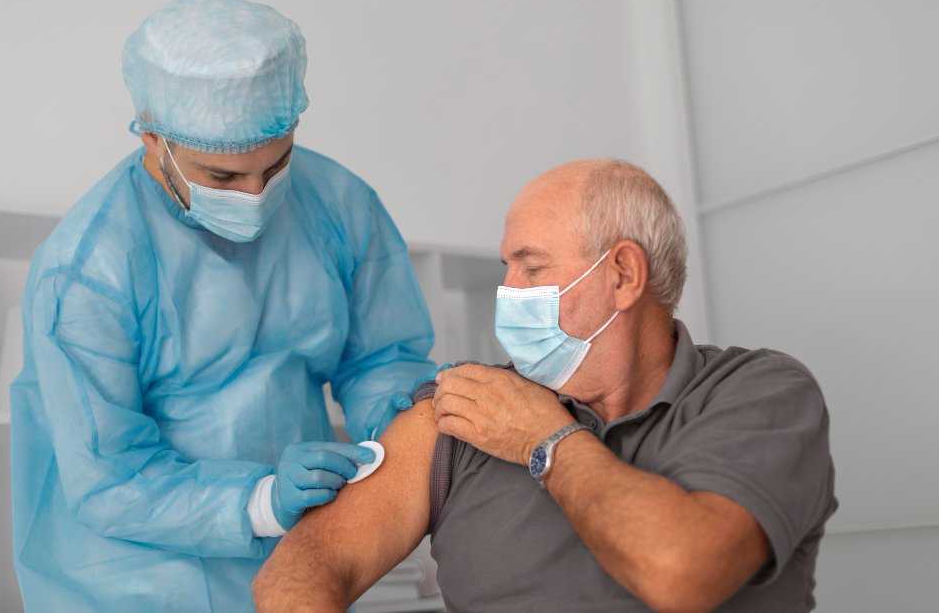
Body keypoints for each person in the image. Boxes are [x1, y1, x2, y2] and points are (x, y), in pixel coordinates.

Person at [252, 159, 838, 613]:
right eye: (508, 269)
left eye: (531, 270)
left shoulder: (757, 392)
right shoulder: (462, 411)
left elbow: (681, 573)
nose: (508, 292)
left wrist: (545, 439)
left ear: (623, 275)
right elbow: (303, 566)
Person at [10, 0, 436, 612]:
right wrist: (259, 500)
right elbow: (110, 477)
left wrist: (403, 439)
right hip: (135, 580)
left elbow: (383, 360)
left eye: (277, 163)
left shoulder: (337, 202)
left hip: (299, 558)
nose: (257, 196)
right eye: (223, 178)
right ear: (154, 138)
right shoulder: (87, 269)